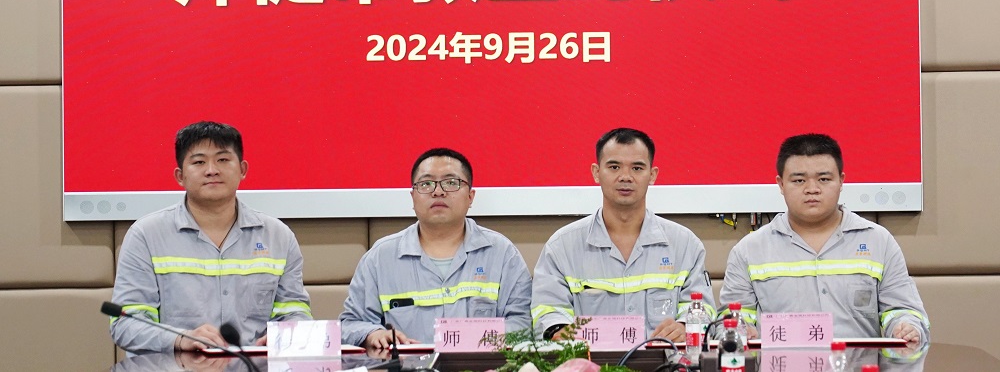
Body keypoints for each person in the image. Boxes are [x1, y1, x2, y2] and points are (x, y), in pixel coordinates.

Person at [110, 121, 312, 354]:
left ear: (243, 169)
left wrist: (286, 336)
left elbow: (295, 311)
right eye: (199, 162)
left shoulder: (279, 237)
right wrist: (180, 338)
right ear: (180, 176)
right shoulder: (146, 236)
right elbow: (126, 323)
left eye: (223, 159)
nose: (212, 170)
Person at [720, 133, 930, 345]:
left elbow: (903, 310)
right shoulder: (749, 250)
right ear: (781, 184)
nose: (812, 189)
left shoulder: (878, 242)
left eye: (824, 179)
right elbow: (729, 320)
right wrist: (738, 330)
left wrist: (906, 326)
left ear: (841, 181)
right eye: (799, 180)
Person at [531, 128, 716, 341]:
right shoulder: (562, 247)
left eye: (637, 168)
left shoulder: (685, 245)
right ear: (596, 172)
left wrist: (685, 327)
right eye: (614, 167)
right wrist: (560, 332)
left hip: (665, 358)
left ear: (652, 175)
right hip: (589, 359)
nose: (625, 177)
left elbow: (703, 310)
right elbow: (548, 313)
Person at [340, 148, 532, 348]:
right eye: (426, 184)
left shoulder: (501, 254)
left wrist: (472, 340)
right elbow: (350, 323)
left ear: (470, 196)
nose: (438, 191)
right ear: (413, 197)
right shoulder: (380, 258)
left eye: (451, 182)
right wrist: (374, 334)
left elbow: (523, 323)